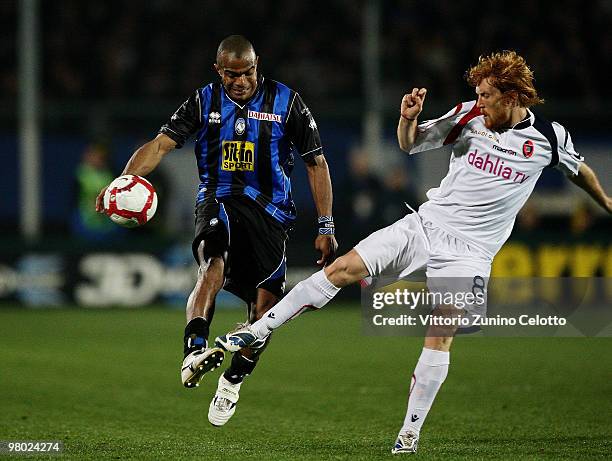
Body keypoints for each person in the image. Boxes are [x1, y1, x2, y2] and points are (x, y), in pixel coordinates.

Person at [212, 51, 611, 453]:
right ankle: (254, 331)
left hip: (470, 254)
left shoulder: (549, 138)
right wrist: (408, 119)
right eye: (478, 94)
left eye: (487, 95)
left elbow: (579, 170)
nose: (480, 101)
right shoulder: (468, 116)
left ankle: (409, 434)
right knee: (343, 268)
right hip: (424, 226)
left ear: (510, 95)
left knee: (440, 333)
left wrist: (606, 202)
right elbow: (412, 145)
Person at [95, 35, 337, 426]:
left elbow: (316, 163)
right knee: (213, 265)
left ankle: (232, 382)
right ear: (218, 70)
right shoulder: (202, 101)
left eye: (248, 73)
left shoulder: (288, 102)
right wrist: (121, 183)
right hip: (218, 199)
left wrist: (326, 224)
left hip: (271, 212)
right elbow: (159, 146)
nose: (240, 81)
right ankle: (194, 351)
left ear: (258, 66)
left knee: (265, 310)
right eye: (231, 74)